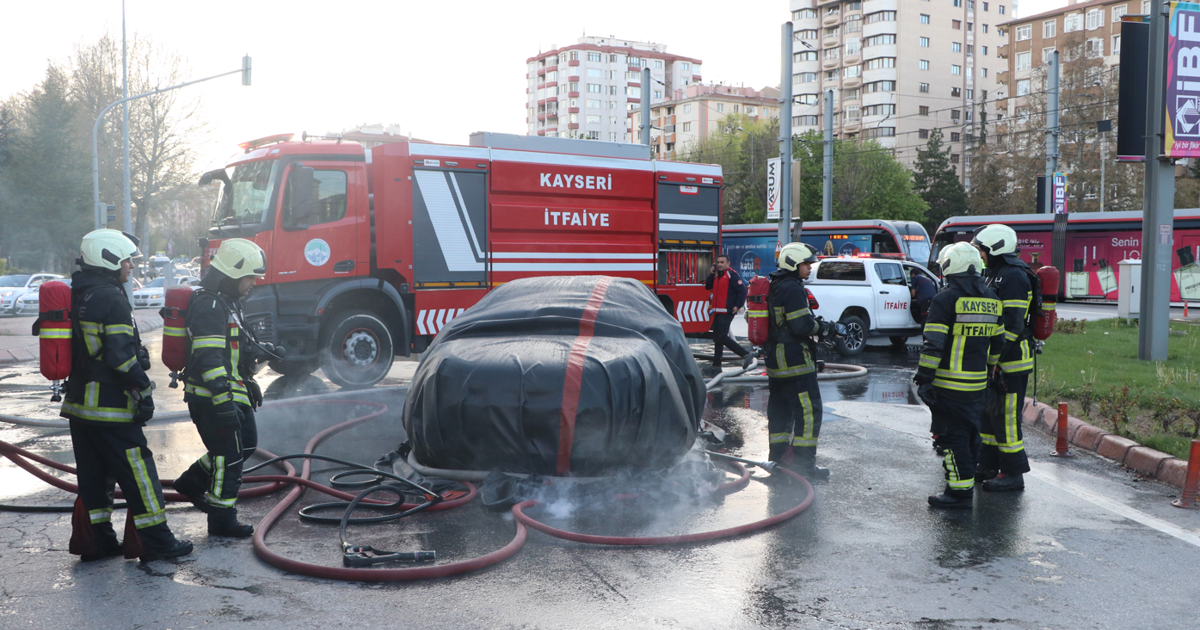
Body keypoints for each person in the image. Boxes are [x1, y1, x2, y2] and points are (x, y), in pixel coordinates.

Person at [61, 229, 193, 562]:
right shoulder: (111, 297)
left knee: (93, 476)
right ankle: (158, 542)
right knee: (139, 472)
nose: (131, 266)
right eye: (127, 259)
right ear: (109, 259)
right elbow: (120, 358)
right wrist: (145, 390)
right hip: (110, 406)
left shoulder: (80, 292)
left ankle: (97, 541)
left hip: (79, 404)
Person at [172, 239, 272, 537]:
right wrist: (223, 400)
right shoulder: (209, 305)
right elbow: (209, 357)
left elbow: (232, 351)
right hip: (211, 396)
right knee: (228, 456)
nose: (253, 283)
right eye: (249, 277)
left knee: (246, 446)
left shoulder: (227, 302)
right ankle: (221, 519)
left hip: (230, 390)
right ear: (231, 274)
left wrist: (258, 360)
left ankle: (191, 483)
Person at [915, 242, 1005, 509]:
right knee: (970, 436)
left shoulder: (944, 300)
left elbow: (933, 344)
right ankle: (963, 488)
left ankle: (959, 493)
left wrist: (924, 378)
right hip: (977, 385)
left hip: (948, 386)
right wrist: (988, 369)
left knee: (952, 439)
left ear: (949, 268)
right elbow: (998, 345)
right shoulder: (992, 300)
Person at [971, 224, 1035, 492]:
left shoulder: (1014, 277)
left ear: (996, 248)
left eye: (983, 250)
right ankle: (988, 466)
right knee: (990, 416)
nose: (981, 255)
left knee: (1007, 418)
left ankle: (1012, 473)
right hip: (996, 359)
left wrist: (995, 359)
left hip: (1011, 360)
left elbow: (1012, 325)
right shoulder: (995, 273)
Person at [765, 243, 835, 478]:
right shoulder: (793, 288)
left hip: (776, 362)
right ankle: (804, 468)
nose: (809, 267)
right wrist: (826, 328)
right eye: (806, 264)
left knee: (780, 413)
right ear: (794, 263)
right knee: (808, 413)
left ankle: (778, 462)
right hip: (795, 361)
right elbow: (802, 325)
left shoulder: (775, 285)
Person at [704, 254, 752, 376]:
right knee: (717, 338)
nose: (719, 264)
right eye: (718, 262)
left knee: (720, 337)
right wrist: (711, 274)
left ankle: (745, 354)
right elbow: (707, 286)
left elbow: (743, 290)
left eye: (722, 262)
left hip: (727, 311)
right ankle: (716, 366)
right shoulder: (716, 276)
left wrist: (738, 306)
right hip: (718, 311)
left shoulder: (732, 275)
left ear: (728, 264)